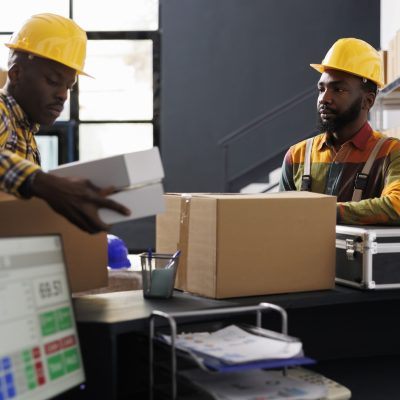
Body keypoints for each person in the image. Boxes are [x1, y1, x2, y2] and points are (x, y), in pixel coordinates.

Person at [0, 13, 130, 233]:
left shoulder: (24, 130)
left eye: (69, 86)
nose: (63, 95)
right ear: (16, 74)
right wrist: (42, 183)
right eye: (53, 81)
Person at [279, 37, 400, 225]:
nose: (324, 99)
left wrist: (321, 212)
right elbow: (281, 218)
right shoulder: (297, 156)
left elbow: (396, 206)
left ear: (368, 101)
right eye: (321, 89)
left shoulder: (391, 153)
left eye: (339, 90)